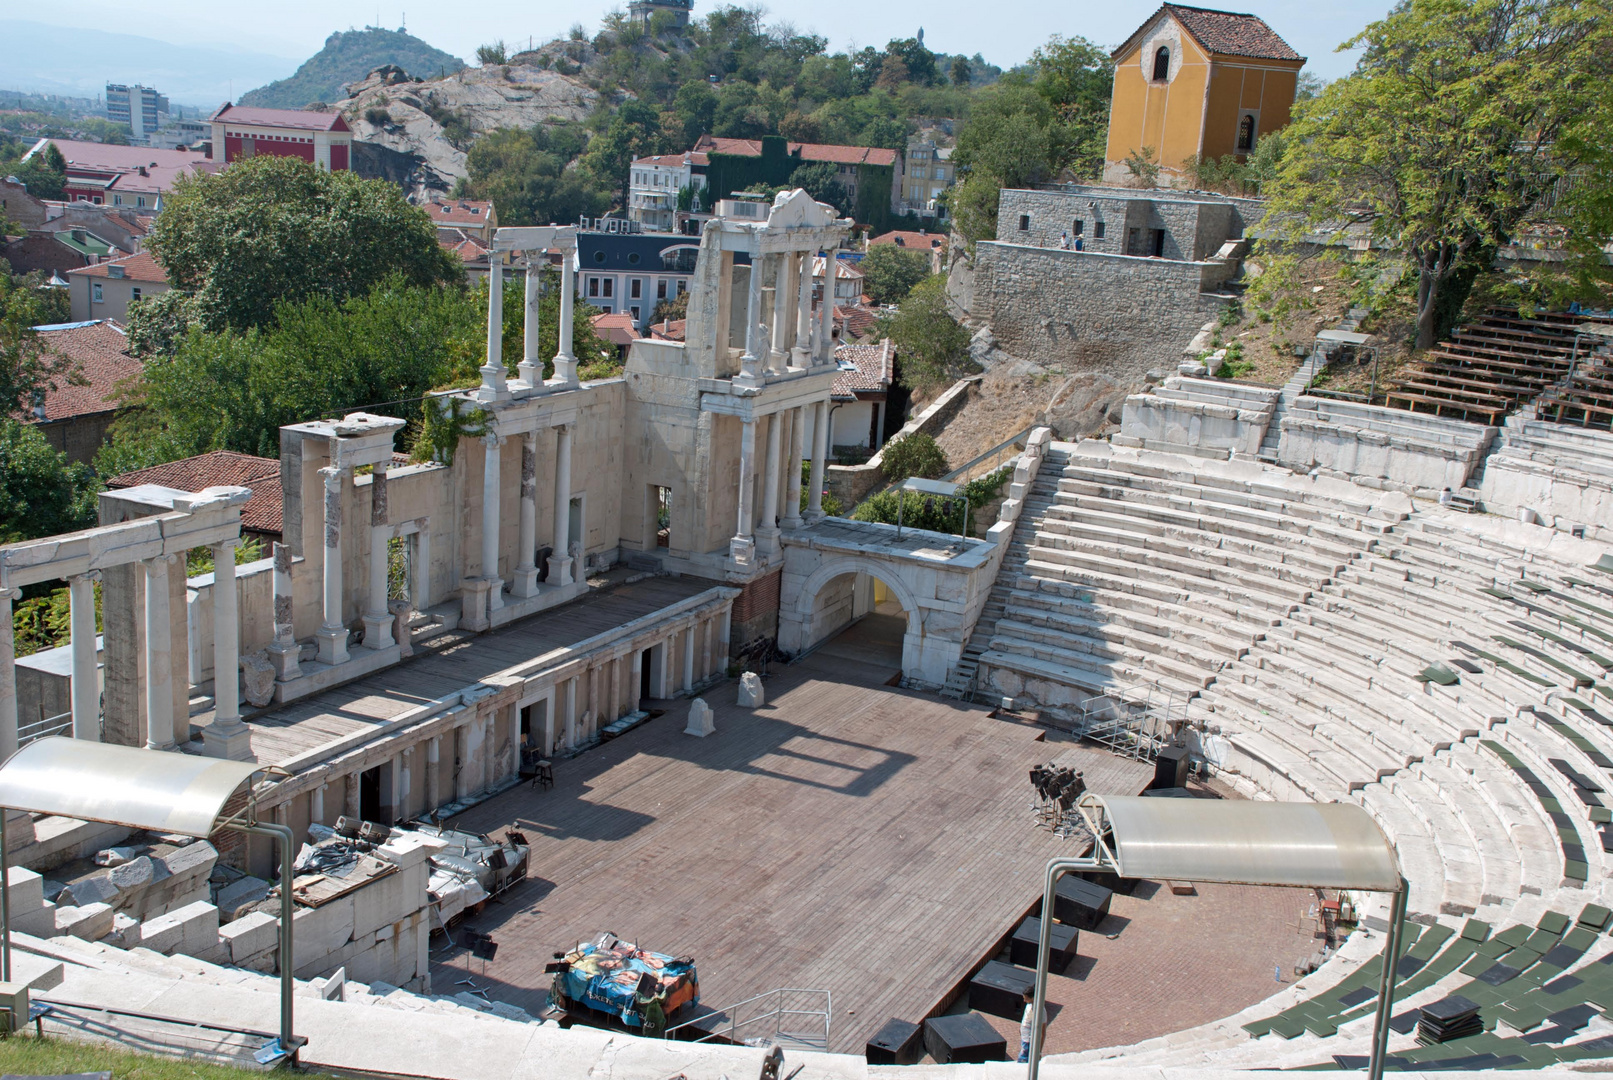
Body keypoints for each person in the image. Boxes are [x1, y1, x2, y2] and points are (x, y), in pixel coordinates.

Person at [1019, 986, 1046, 1063]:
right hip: (1024, 1038)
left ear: (1033, 998)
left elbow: (1042, 1033)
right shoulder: (1029, 1005)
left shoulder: (1041, 1012)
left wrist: (1039, 1052)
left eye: (1026, 998)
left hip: (1029, 1041)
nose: (1024, 1000)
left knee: (1023, 1061)